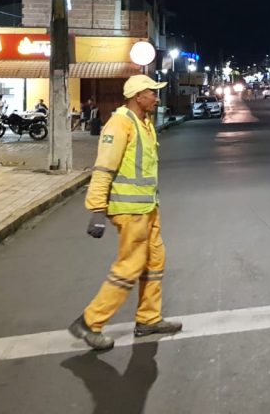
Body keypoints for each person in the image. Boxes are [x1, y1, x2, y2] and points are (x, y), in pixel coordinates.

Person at [68, 75, 181, 351]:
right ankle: (90, 322)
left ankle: (148, 319)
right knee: (129, 266)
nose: (156, 98)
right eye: (152, 93)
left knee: (154, 262)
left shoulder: (145, 123)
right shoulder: (120, 124)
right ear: (138, 96)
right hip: (130, 210)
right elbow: (104, 168)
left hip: (148, 207)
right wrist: (97, 209)